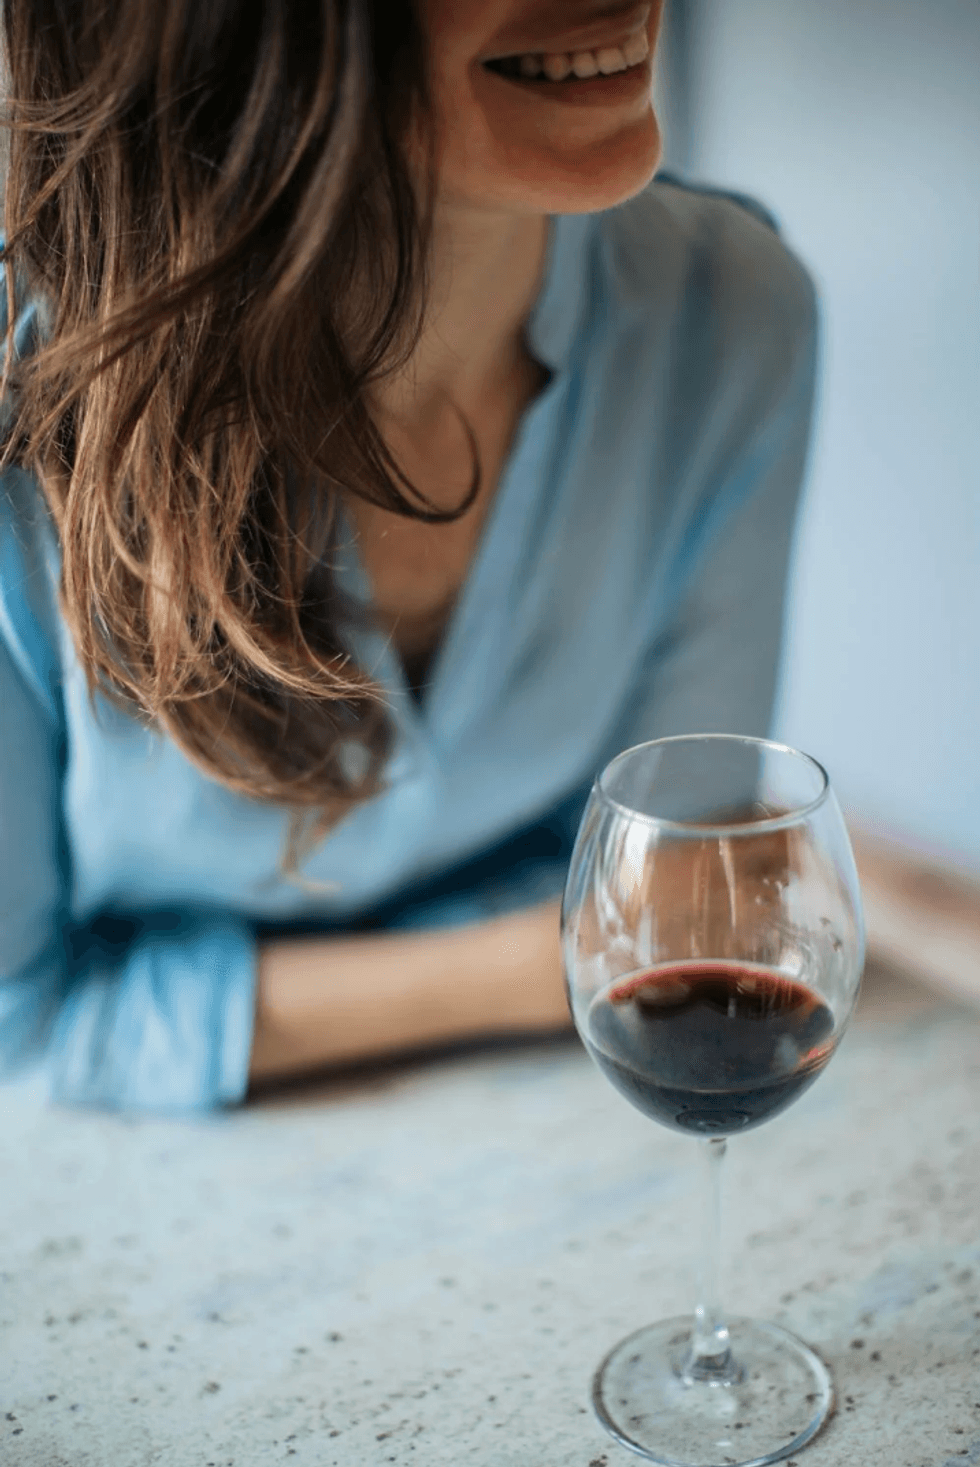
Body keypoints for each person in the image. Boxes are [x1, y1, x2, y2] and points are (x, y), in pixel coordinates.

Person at [0, 0, 817, 1111]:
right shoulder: (23, 418)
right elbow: (22, 1022)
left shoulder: (731, 318)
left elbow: (679, 896)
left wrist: (200, 991)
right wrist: (540, 962)